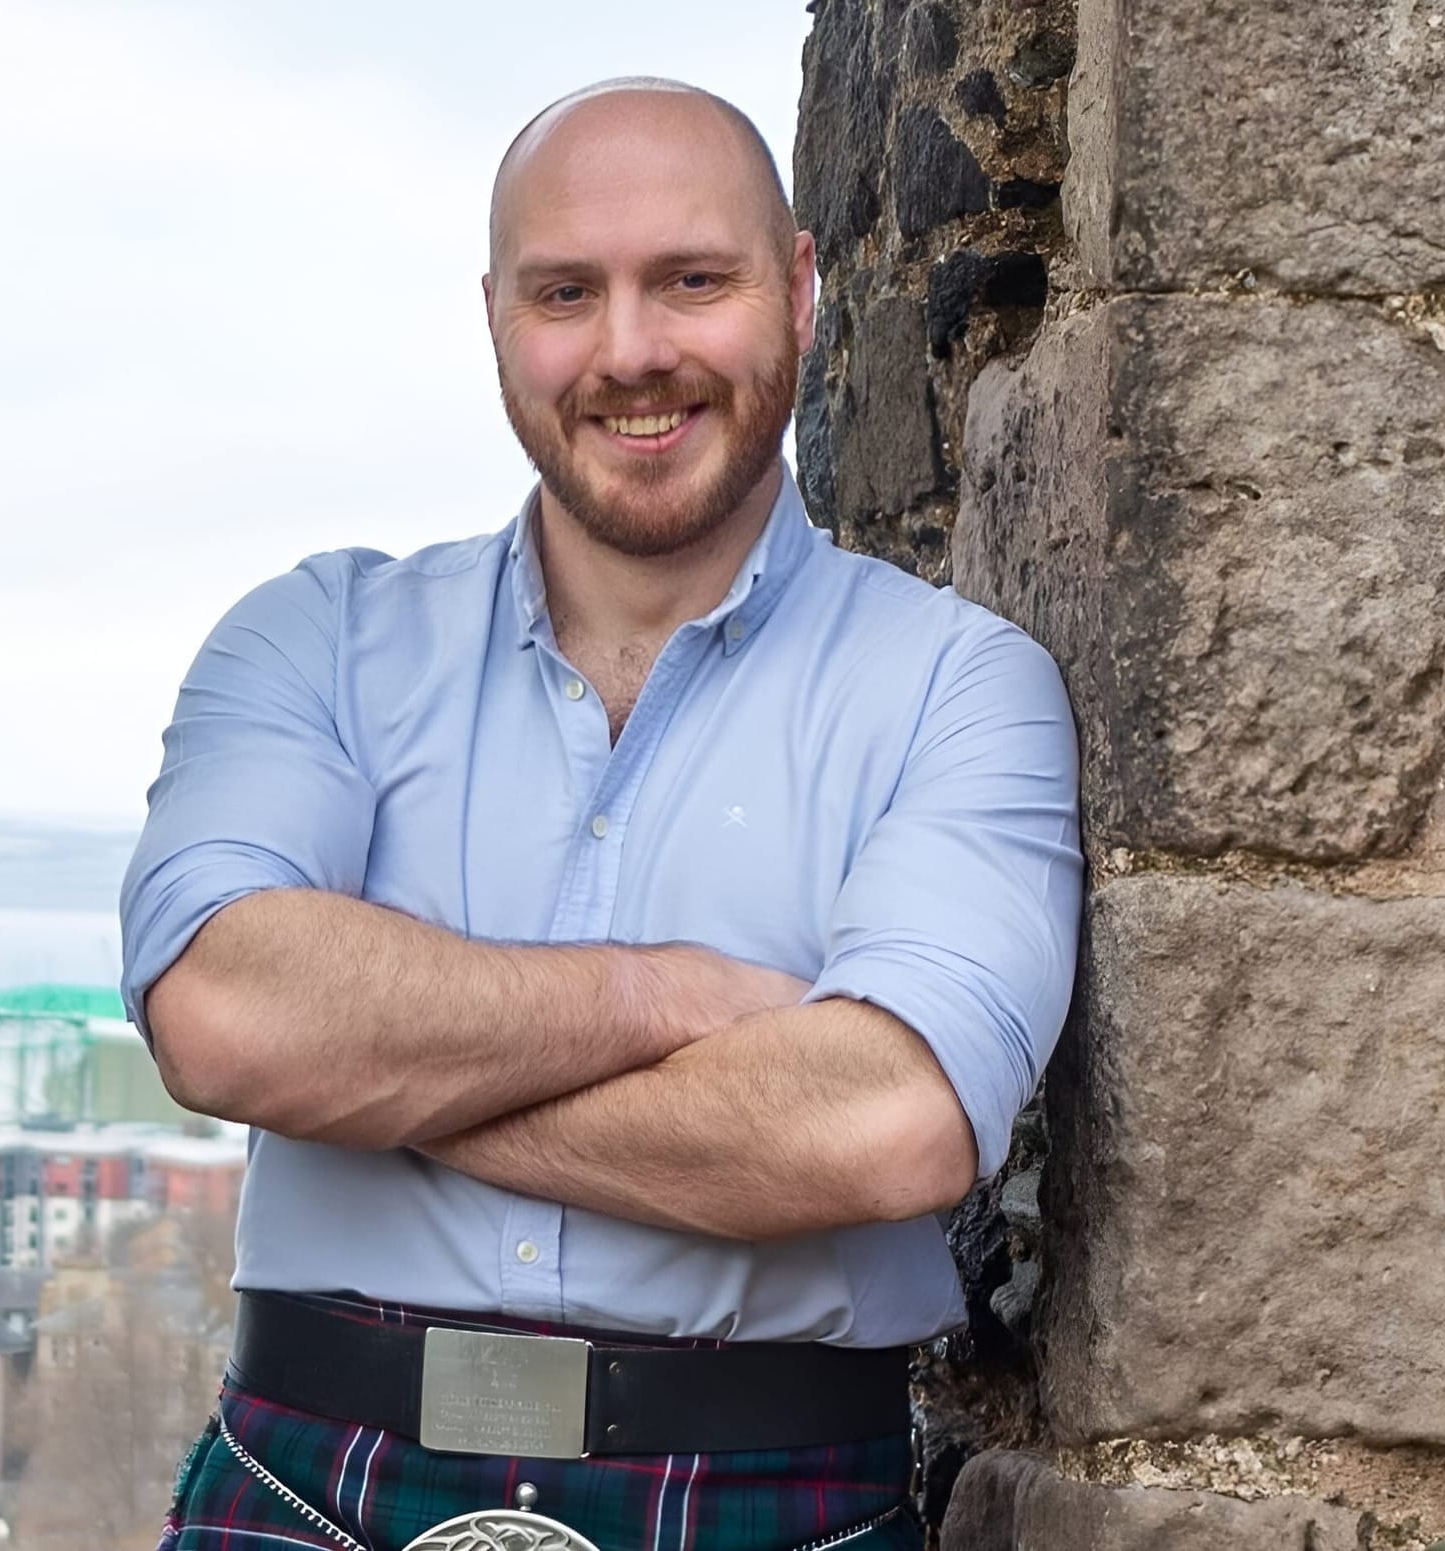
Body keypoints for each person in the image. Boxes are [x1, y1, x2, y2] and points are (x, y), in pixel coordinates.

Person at [121, 77, 1080, 1551]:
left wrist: (386, 1084)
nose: (632, 353)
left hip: (777, 1501)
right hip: (308, 1484)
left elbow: (889, 1125)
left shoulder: (960, 687)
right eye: (567, 293)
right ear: (497, 316)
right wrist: (664, 998)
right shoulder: (311, 637)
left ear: (805, 291)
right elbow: (226, 1022)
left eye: (692, 281)